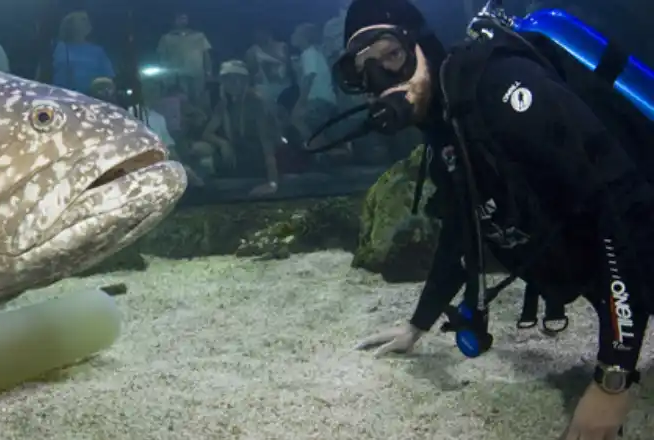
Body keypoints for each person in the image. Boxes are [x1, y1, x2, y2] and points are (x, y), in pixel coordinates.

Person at [332, 1, 654, 438]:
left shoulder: (500, 85)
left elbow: (619, 200)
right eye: (363, 71)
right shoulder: (449, 132)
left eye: (391, 55)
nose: (383, 80)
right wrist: (418, 324)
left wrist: (614, 378)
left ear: (423, 44)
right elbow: (463, 231)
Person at [88, 77, 205, 187]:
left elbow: (169, 146)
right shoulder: (120, 115)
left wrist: (181, 166)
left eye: (108, 89)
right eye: (100, 90)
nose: (105, 93)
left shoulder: (157, 118)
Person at [203, 60, 280, 196]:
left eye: (238, 79)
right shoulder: (224, 105)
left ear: (245, 81)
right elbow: (207, 133)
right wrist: (223, 143)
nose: (234, 83)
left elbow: (267, 144)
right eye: (229, 80)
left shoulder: (256, 102)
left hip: (258, 158)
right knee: (202, 154)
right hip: (238, 155)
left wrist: (273, 182)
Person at [156, 12, 213, 109]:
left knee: (198, 101)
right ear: (174, 21)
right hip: (177, 77)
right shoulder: (166, 38)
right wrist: (164, 78)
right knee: (180, 103)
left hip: (197, 75)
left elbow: (206, 55)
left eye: (184, 18)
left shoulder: (199, 36)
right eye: (179, 18)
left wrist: (209, 72)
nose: (182, 21)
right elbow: (162, 58)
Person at [52, 11, 115, 94]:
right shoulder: (58, 47)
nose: (88, 22)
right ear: (71, 24)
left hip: (92, 99)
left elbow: (108, 79)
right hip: (60, 97)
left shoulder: (98, 51)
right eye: (83, 19)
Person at [245, 29, 291, 115]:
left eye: (261, 33)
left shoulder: (282, 46)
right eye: (256, 34)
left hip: (284, 87)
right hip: (264, 89)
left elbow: (288, 67)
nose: (258, 36)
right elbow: (250, 71)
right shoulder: (253, 51)